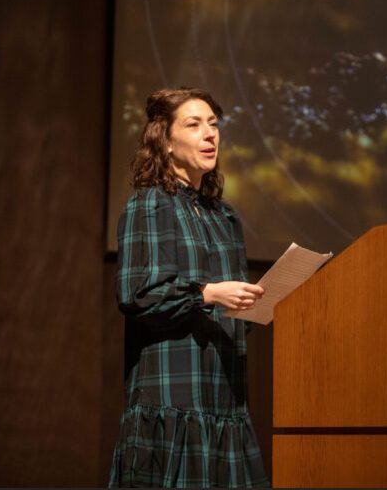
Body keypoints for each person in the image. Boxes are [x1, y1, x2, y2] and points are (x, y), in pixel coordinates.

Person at [108, 87, 269, 488]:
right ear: (164, 139)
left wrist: (255, 303)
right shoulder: (150, 204)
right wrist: (209, 294)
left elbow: (234, 312)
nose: (210, 134)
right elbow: (139, 295)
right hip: (174, 397)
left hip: (225, 398)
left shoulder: (224, 216)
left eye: (214, 125)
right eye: (194, 125)